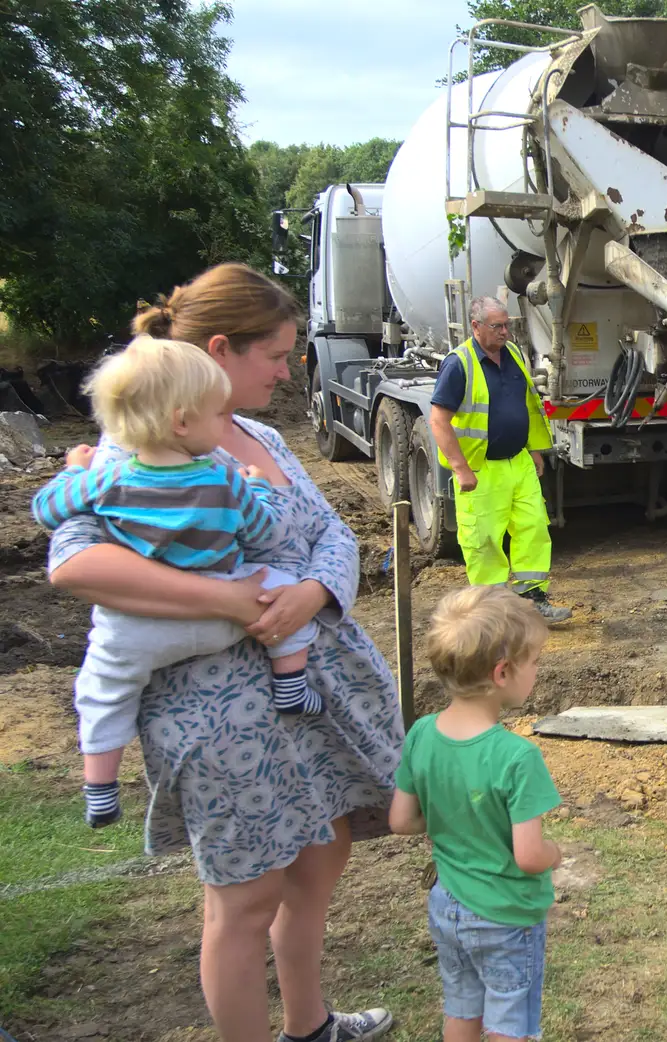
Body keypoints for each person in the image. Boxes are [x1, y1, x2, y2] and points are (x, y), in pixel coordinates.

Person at [47, 263, 402, 1042]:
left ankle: (309, 1026)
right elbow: (73, 563)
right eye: (274, 355)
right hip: (221, 719)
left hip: (310, 697)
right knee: (244, 902)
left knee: (320, 859)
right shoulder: (133, 448)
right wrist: (230, 601)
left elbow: (332, 531)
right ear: (218, 349)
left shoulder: (263, 436)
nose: (286, 370)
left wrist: (314, 595)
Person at [32, 338, 321, 828]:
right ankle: (290, 680)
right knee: (284, 584)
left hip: (137, 630)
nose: (223, 424)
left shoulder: (109, 478)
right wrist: (258, 485)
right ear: (183, 421)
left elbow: (47, 511)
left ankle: (100, 786)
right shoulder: (222, 478)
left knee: (102, 689)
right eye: (216, 416)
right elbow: (267, 530)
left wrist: (72, 472)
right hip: (230, 621)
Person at [389, 585, 563, 1042]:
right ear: (502, 672)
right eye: (537, 661)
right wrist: (555, 853)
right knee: (510, 1021)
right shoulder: (517, 757)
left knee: (462, 1005)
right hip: (504, 912)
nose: (539, 670)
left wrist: (454, 816)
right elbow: (528, 856)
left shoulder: (422, 733)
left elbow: (401, 821)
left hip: (448, 905)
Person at [429, 297, 572, 623]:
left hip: (518, 462)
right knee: (485, 541)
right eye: (497, 326)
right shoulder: (459, 364)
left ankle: (532, 600)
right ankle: (492, 613)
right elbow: (438, 421)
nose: (505, 332)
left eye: (507, 325)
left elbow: (525, 405)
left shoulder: (514, 355)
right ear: (476, 326)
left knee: (533, 529)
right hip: (481, 469)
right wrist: (461, 468)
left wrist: (534, 450)